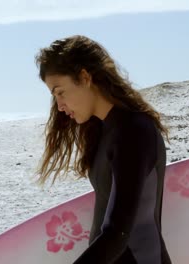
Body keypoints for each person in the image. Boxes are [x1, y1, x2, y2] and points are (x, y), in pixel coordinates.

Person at [34, 35, 172, 264]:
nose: (59, 106)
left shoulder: (133, 132)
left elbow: (116, 234)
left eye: (60, 92)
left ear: (85, 77)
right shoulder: (103, 130)